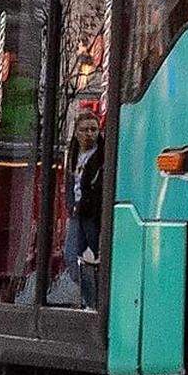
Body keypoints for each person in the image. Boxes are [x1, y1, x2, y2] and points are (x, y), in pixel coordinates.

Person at [63, 111, 104, 307]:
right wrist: (70, 205)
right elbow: (70, 182)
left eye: (93, 129)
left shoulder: (103, 155)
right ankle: (91, 300)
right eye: (84, 130)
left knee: (92, 258)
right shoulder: (73, 154)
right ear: (77, 133)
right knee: (72, 258)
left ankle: (93, 303)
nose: (89, 133)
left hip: (92, 215)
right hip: (76, 213)